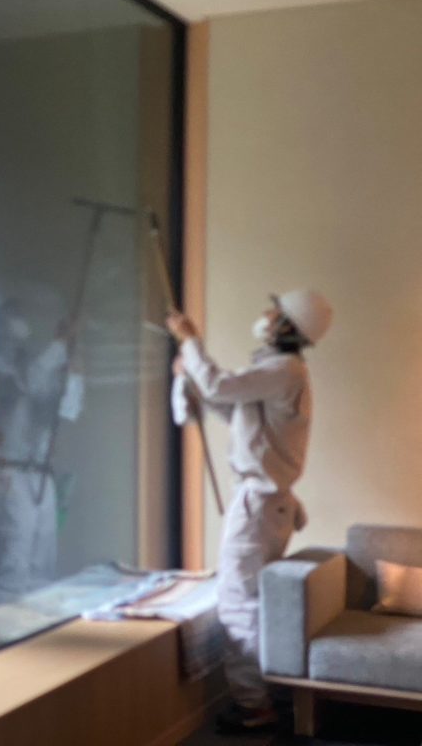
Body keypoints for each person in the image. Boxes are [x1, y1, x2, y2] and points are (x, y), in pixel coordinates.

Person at [167, 289, 332, 733]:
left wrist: (190, 340)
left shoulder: (284, 370)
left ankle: (253, 706)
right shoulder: (281, 371)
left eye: (274, 310)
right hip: (263, 503)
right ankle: (262, 694)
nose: (265, 314)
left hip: (258, 504)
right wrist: (195, 378)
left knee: (238, 604)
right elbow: (233, 408)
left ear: (288, 325)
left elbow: (220, 386)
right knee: (248, 599)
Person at [0, 303, 70, 603]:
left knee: (43, 555)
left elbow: (65, 408)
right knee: (15, 552)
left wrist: (73, 372)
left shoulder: (35, 369)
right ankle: (6, 621)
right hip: (12, 470)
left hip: (41, 471)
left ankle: (39, 619)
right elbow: (27, 384)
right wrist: (59, 346)